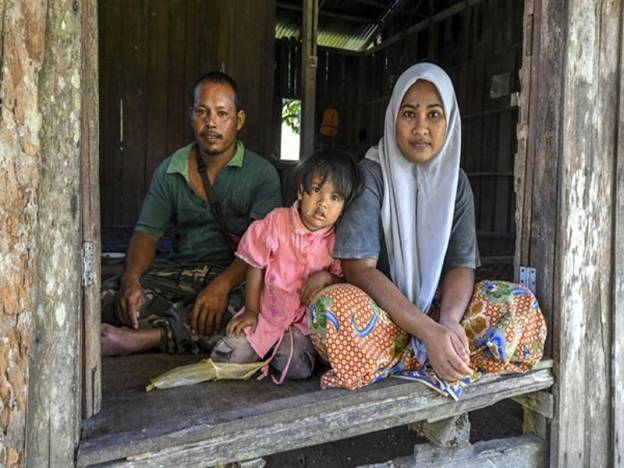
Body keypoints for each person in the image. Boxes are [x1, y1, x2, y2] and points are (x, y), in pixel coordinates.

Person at [308, 63, 547, 391]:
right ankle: (434, 356)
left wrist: (448, 322)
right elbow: (359, 270)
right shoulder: (371, 175)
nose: (421, 127)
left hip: (439, 313)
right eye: (409, 114)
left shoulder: (457, 183)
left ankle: (428, 356)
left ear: (449, 121)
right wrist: (427, 331)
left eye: (434, 115)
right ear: (393, 118)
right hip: (384, 316)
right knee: (330, 307)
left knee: (519, 303)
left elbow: (461, 265)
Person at [101, 71, 282, 356]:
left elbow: (262, 253)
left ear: (240, 120)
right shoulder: (170, 170)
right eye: (202, 112)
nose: (211, 123)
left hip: (235, 276)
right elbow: (147, 234)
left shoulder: (262, 175)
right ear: (191, 115)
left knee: (256, 314)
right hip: (180, 272)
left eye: (222, 113)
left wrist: (221, 286)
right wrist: (132, 280)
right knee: (108, 298)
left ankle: (148, 337)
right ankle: (178, 324)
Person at [210, 150, 361, 382]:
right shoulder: (276, 222)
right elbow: (255, 265)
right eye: (317, 190)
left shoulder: (339, 241)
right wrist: (251, 311)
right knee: (227, 358)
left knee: (296, 367)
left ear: (344, 206)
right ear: (301, 190)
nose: (323, 203)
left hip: (302, 327)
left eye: (335, 198)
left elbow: (345, 282)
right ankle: (260, 346)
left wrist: (327, 278)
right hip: (266, 315)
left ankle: (276, 353)